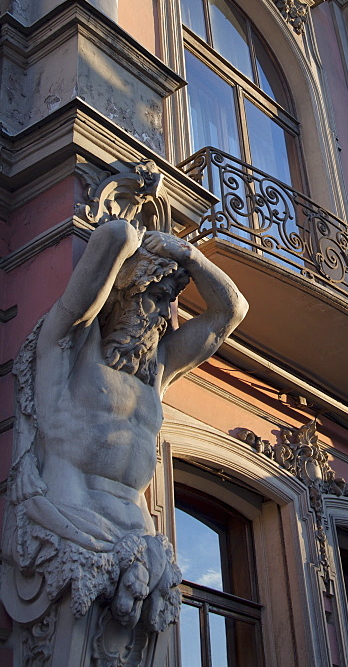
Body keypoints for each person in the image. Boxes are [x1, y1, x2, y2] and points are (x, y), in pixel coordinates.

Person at [2, 219, 248, 632]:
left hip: (140, 548)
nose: (163, 316)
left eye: (169, 301)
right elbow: (114, 238)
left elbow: (231, 311)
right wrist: (135, 237)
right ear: (123, 294)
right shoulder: (68, 346)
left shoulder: (158, 371)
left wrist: (189, 255)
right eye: (155, 297)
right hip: (74, 525)